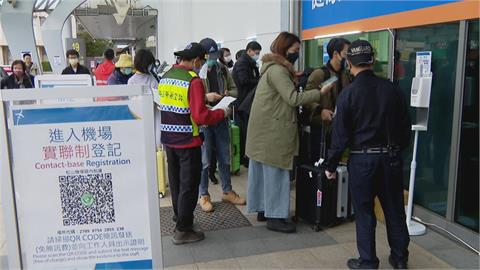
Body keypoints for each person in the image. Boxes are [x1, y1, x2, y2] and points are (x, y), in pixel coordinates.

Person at [325, 40, 411, 269]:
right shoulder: (393, 90)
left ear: (349, 64)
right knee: (394, 210)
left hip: (362, 160)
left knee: (364, 213)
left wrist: (330, 165)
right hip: (390, 158)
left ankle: (368, 262)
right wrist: (394, 150)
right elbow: (405, 130)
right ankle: (400, 259)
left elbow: (340, 136)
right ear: (372, 61)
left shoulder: (348, 94)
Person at [246, 32, 331, 233]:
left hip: (264, 130)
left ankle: (264, 209)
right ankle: (275, 218)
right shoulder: (278, 71)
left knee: (263, 173)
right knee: (276, 172)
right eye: (295, 50)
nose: (297, 53)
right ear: (285, 49)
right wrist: (320, 93)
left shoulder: (273, 68)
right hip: (273, 131)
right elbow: (292, 98)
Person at [159, 42, 227, 244]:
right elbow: (199, 116)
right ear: (197, 60)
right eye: (201, 62)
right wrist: (222, 112)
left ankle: (180, 218)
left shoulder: (167, 76)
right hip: (188, 141)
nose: (201, 66)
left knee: (177, 184)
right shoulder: (193, 81)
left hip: (169, 141)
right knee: (189, 187)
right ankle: (183, 230)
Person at [198, 38, 244, 213]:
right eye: (209, 55)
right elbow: (192, 99)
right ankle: (203, 194)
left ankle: (227, 191)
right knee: (204, 160)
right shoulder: (196, 72)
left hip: (222, 117)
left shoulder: (222, 69)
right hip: (204, 121)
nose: (212, 58)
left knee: (225, 156)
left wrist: (226, 95)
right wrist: (206, 97)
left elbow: (234, 90)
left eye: (214, 54)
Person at [304, 38, 352, 161]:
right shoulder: (320, 74)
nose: (349, 58)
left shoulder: (347, 74)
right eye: (347, 54)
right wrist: (320, 111)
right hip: (322, 128)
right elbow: (306, 98)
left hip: (340, 127)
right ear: (336, 54)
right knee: (320, 161)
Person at [232, 41, 262, 167]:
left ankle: (248, 157)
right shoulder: (242, 63)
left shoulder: (250, 63)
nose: (257, 55)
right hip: (243, 102)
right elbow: (244, 80)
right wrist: (259, 81)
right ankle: (245, 158)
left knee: (249, 131)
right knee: (245, 132)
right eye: (256, 53)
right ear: (249, 51)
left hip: (248, 101)